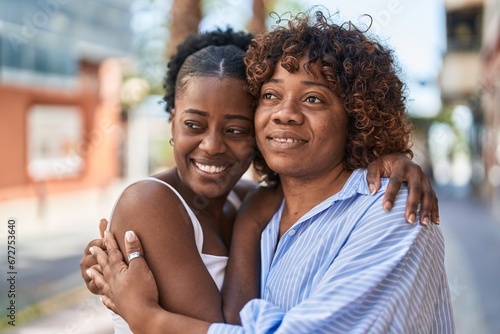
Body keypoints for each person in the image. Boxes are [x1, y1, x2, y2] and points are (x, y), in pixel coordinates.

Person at [85, 14, 449, 333]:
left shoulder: (390, 210)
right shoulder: (263, 209)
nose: (284, 114)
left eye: (313, 99)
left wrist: (147, 319)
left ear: (358, 117)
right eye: (271, 96)